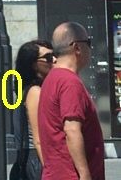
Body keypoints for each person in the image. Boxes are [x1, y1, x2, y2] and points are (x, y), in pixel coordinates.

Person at [38, 23, 104, 180]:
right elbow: (72, 130)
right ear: (77, 47)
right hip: (70, 175)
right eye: (88, 43)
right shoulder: (69, 82)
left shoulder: (52, 78)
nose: (90, 49)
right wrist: (85, 174)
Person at [14, 40, 55, 180]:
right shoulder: (35, 92)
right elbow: (38, 139)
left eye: (55, 55)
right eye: (48, 57)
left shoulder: (33, 89)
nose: (54, 60)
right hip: (37, 159)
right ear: (33, 64)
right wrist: (51, 172)